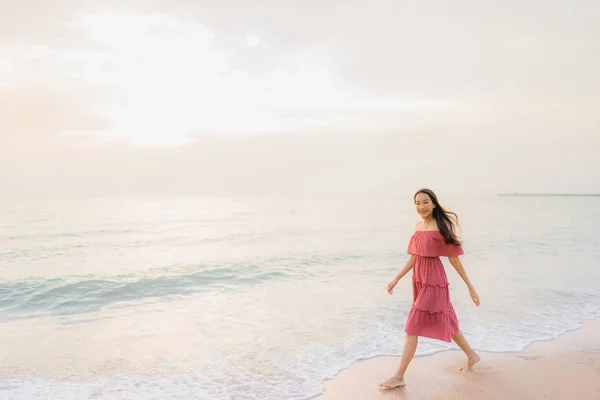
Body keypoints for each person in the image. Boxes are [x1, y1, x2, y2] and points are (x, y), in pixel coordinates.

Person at [379, 188, 480, 389]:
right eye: (417, 203)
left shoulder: (441, 229)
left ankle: (399, 376)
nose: (421, 207)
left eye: (425, 202)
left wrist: (470, 287)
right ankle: (472, 355)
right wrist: (396, 279)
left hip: (434, 281)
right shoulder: (418, 227)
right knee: (448, 319)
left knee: (412, 326)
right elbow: (415, 256)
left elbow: (454, 259)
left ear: (434, 203)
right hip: (419, 279)